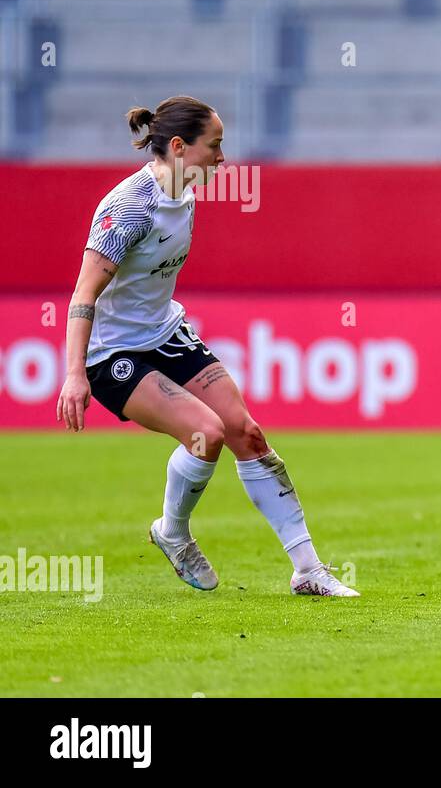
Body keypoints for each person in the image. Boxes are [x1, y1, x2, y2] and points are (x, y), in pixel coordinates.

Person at [55, 95, 358, 597]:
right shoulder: (129, 207)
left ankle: (309, 572)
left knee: (247, 432)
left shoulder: (186, 188)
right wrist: (73, 374)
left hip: (166, 334)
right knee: (206, 433)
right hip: (113, 355)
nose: (222, 158)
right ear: (178, 147)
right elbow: (84, 293)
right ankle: (172, 532)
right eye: (214, 147)